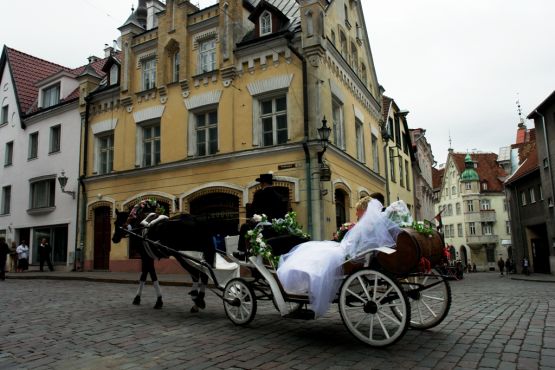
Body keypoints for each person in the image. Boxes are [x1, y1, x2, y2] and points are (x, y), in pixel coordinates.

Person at [277, 198, 408, 317]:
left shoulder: (366, 225)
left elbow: (355, 246)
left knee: (311, 254)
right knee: (314, 252)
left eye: (358, 210)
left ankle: (308, 285)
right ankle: (308, 284)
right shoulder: (375, 224)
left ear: (365, 210)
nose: (356, 214)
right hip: (352, 252)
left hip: (349, 254)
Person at [236, 173, 287, 257]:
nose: (260, 185)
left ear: (263, 183)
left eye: (260, 183)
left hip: (263, 227)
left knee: (244, 227)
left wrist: (253, 218)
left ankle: (242, 252)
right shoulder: (279, 196)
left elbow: (253, 211)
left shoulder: (259, 194)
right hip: (276, 227)